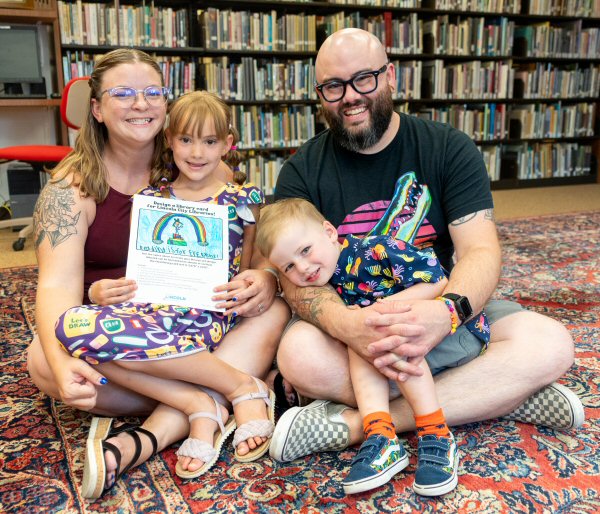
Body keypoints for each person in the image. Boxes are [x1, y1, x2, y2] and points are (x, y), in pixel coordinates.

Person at [267, 28, 583, 471]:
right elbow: (293, 280)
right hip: (360, 328)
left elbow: (481, 252)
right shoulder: (301, 171)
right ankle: (498, 397)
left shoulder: (448, 147)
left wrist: (447, 312)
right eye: (333, 86)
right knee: (298, 354)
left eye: (364, 79)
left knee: (551, 343)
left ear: (391, 76)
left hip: (441, 310)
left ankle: (362, 424)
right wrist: (351, 325)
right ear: (320, 95)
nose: (350, 97)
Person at [27, 49, 288, 499]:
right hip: (125, 322)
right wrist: (67, 349)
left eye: (152, 92)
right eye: (123, 93)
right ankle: (208, 395)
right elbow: (55, 288)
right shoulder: (71, 187)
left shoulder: (194, 159)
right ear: (97, 108)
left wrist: (262, 278)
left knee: (274, 308)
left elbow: (251, 242)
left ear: (166, 106)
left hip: (199, 319)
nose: (140, 103)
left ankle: (175, 416)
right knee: (43, 360)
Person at [257, 197, 489, 495]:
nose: (303, 268)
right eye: (289, 266)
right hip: (395, 344)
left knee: (385, 332)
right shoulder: (325, 279)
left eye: (305, 250)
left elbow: (437, 279)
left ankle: (436, 434)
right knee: (362, 338)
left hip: (458, 332)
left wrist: (384, 309)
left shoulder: (376, 249)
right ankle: (381, 435)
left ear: (329, 232)